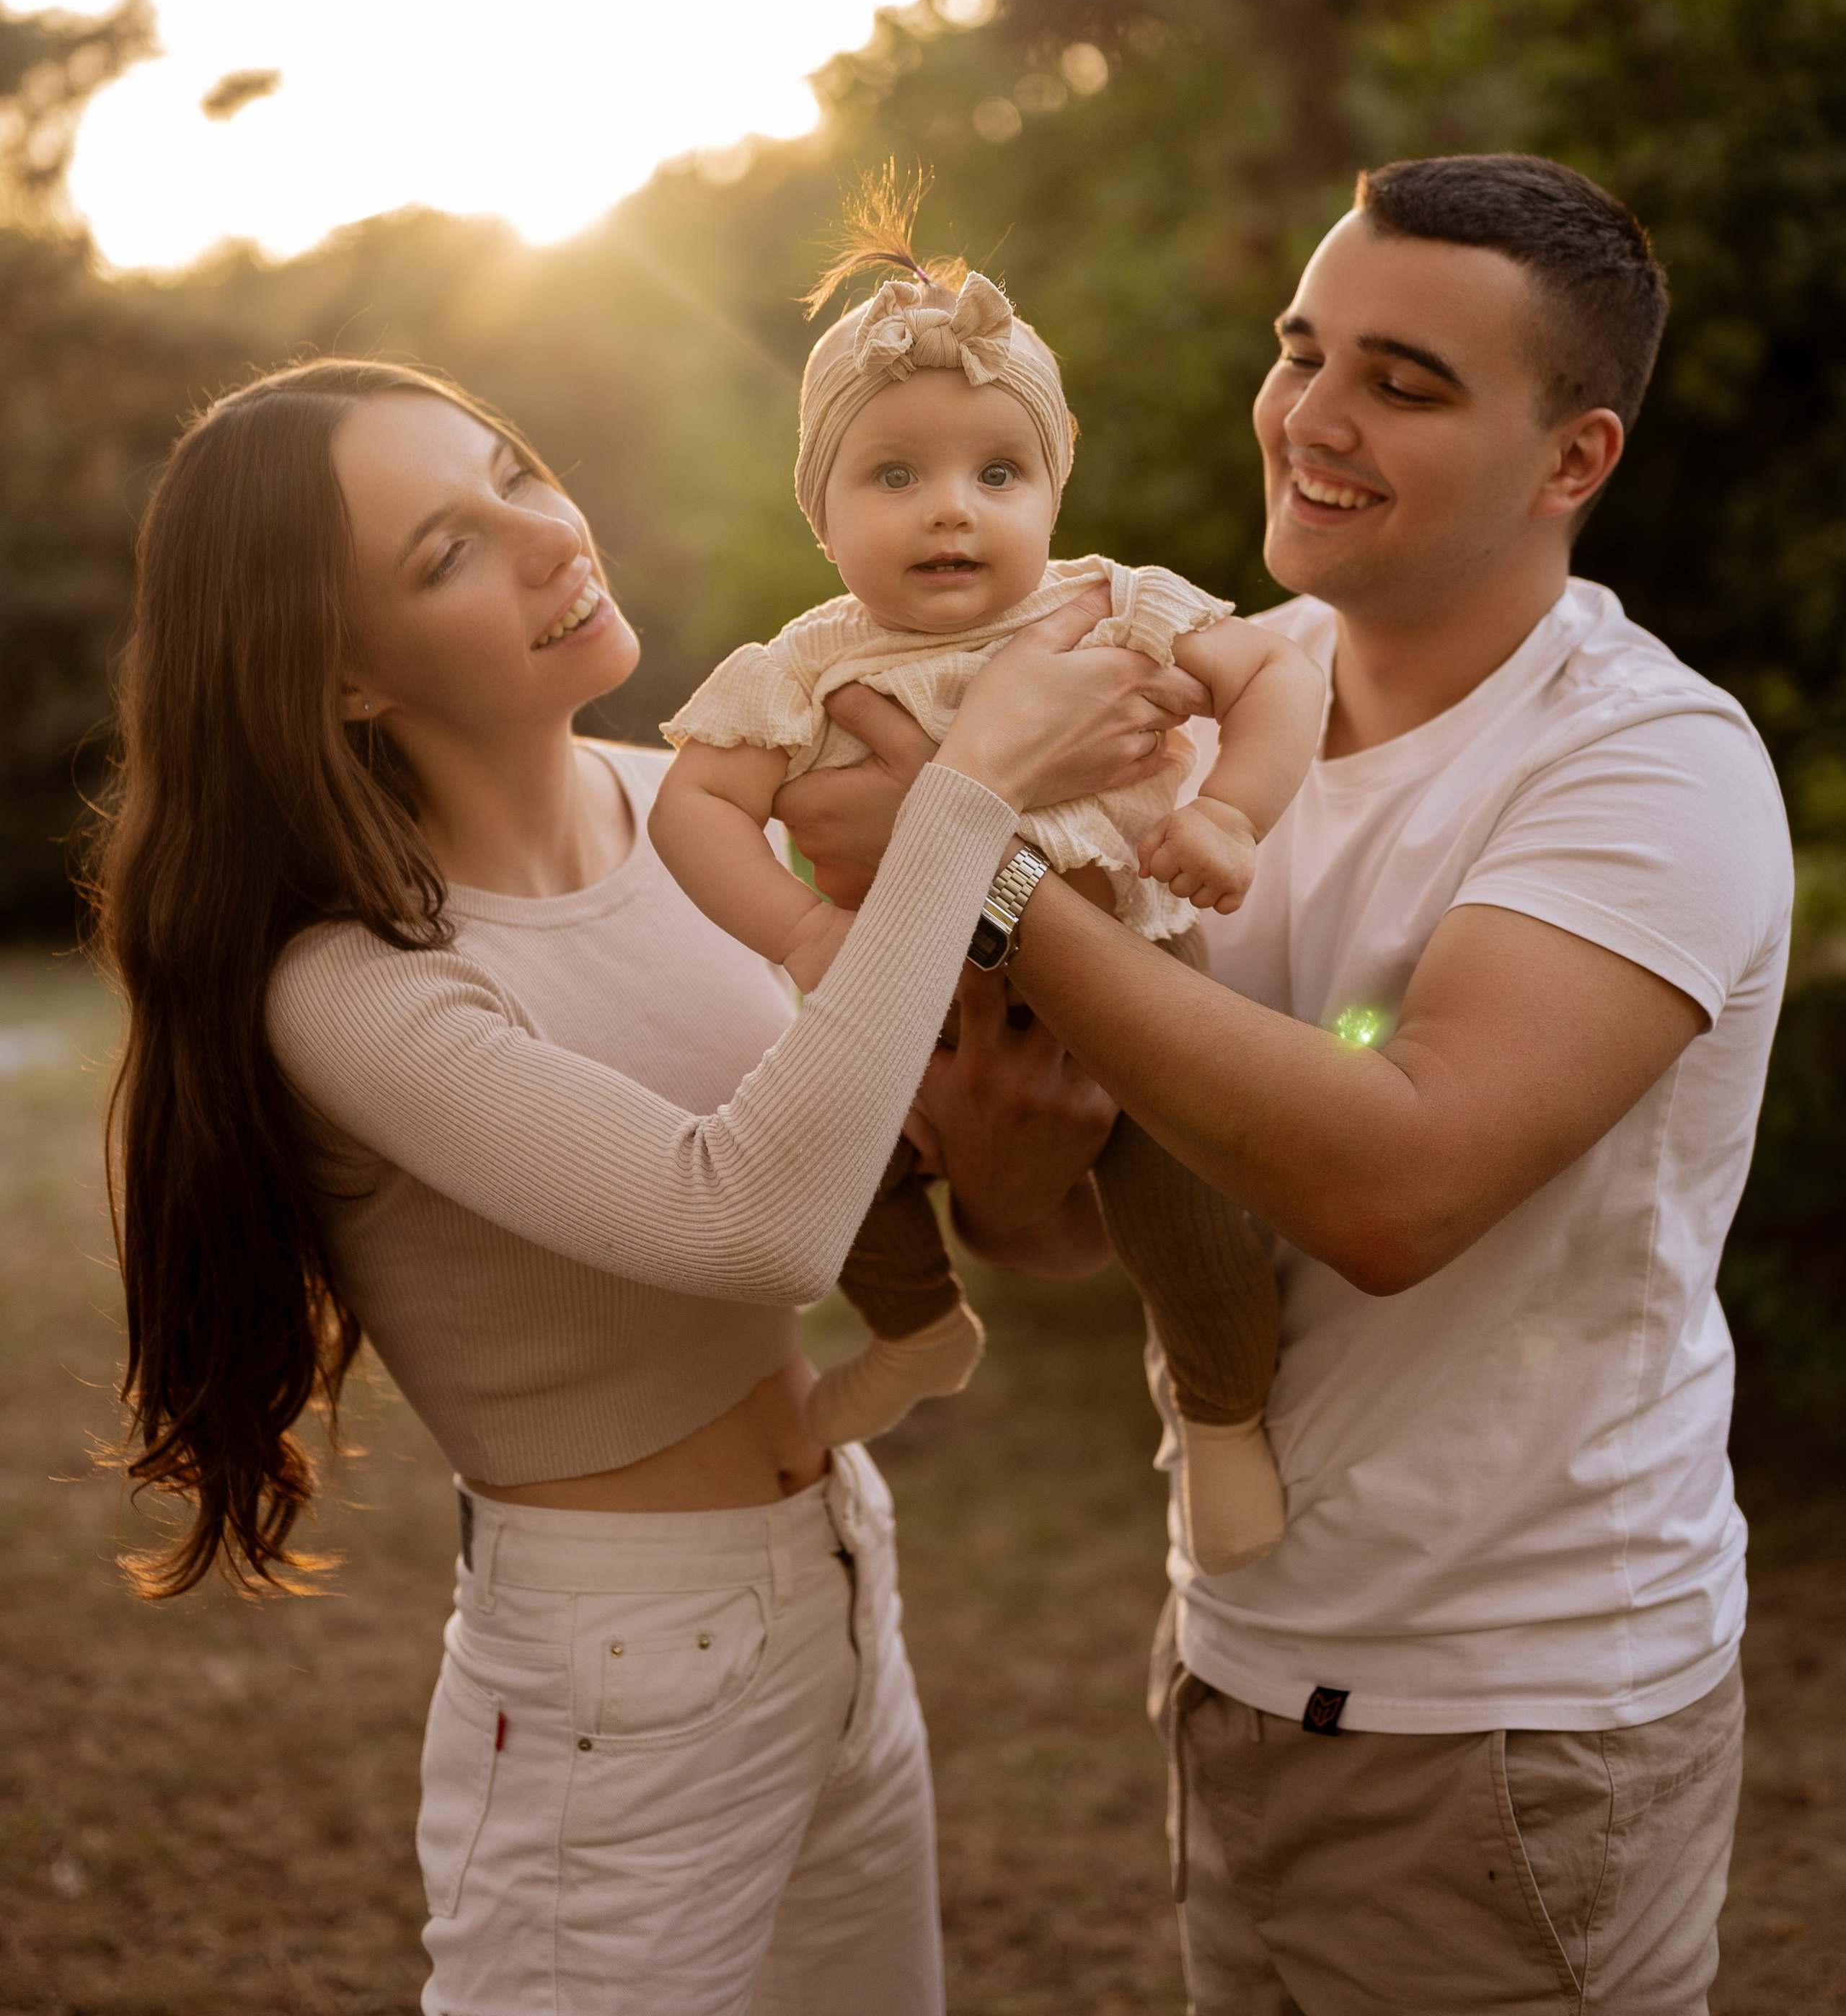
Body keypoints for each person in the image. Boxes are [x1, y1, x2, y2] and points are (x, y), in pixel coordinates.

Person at [777, 154, 1793, 2016]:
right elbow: (1118, 1217)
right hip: (1237, 1660)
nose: (1312, 418)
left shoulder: (1651, 770)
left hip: (1514, 1716)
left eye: (1403, 384)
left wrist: (965, 851)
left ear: (1573, 461)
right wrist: (1006, 1190)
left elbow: (1390, 1190)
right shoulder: (1215, 695)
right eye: (1301, 349)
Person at [93, 355, 1200, 2016]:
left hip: (832, 1572)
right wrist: (968, 796)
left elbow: (931, 1183)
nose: (547, 539)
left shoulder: (680, 810)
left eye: (518, 470)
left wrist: (1005, 1173)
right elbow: (743, 1219)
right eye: (445, 553)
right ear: (338, 678)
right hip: (617, 1665)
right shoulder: (350, 986)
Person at [649, 193, 1324, 1573]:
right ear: (823, 518)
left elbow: (1277, 675)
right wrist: (799, 929)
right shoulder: (806, 665)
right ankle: (916, 1331)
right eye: (893, 477)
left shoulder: (1111, 604)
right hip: (897, 988)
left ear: (1055, 489)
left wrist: (1236, 816)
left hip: (1126, 964)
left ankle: (1220, 1414)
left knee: (1189, 1204)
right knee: (815, 1160)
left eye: (997, 474)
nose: (951, 508)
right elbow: (693, 806)